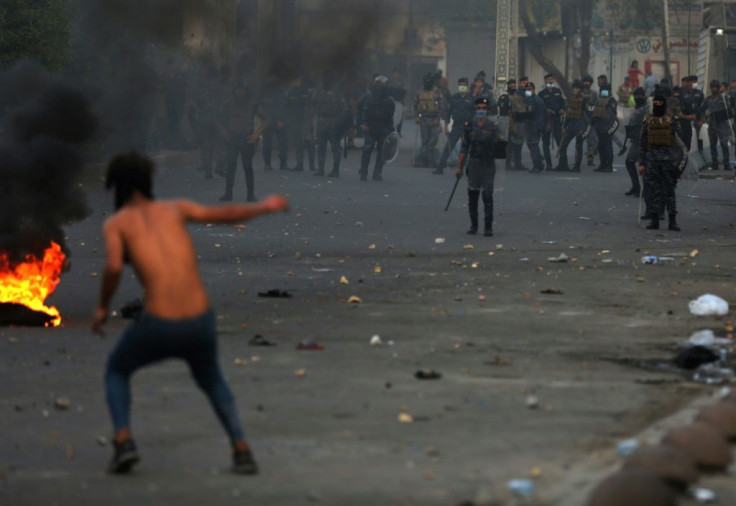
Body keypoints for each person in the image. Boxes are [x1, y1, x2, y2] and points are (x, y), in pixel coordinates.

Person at [92, 151, 290, 475]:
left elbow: (114, 265)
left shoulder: (117, 223)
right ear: (148, 182)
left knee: (117, 369)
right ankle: (241, 448)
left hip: (158, 324)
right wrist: (263, 207)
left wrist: (102, 308)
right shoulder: (175, 208)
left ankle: (124, 441)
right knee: (211, 379)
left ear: (115, 186)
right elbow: (226, 213)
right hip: (200, 320)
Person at [455, 97, 504, 237]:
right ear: (475, 109)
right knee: (473, 196)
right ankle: (474, 225)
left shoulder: (493, 127)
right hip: (474, 164)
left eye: (484, 108)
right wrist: (459, 167)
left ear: (487, 110)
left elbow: (501, 148)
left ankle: (488, 227)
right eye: (479, 108)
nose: (481, 110)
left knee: (487, 196)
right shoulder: (470, 125)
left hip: (488, 165)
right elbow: (464, 147)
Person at [638, 94, 683, 230]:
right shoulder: (647, 121)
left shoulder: (672, 120)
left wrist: (678, 162)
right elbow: (643, 143)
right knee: (653, 190)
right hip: (651, 160)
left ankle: (672, 220)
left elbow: (680, 142)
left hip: (669, 161)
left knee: (669, 190)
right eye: (655, 102)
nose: (657, 104)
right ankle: (654, 220)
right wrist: (641, 163)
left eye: (660, 102)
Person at [218, 83, 266, 202]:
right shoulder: (228, 105)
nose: (240, 93)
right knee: (230, 166)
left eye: (243, 90)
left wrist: (256, 134)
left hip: (247, 139)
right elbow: (217, 120)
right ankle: (228, 193)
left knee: (247, 166)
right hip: (232, 138)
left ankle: (250, 194)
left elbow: (266, 119)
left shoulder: (253, 105)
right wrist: (223, 131)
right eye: (238, 90)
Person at [357, 75, 395, 181]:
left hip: (383, 128)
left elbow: (391, 116)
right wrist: (362, 123)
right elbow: (359, 109)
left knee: (382, 151)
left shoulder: (389, 101)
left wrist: (390, 130)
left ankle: (377, 172)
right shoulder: (367, 97)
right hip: (369, 127)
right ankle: (363, 172)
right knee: (367, 148)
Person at [313, 78, 351, 177]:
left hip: (333, 123)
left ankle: (335, 170)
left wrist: (342, 123)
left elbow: (346, 110)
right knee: (321, 147)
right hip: (322, 122)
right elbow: (313, 106)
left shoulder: (338, 95)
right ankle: (321, 169)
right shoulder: (320, 93)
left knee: (336, 148)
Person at [436, 77, 475, 175]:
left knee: (468, 148)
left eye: (464, 85)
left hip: (468, 127)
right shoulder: (454, 98)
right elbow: (449, 112)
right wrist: (446, 124)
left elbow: (475, 113)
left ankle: (470, 169)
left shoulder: (471, 99)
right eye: (461, 85)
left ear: (467, 86)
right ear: (459, 86)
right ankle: (440, 167)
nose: (463, 87)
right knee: (449, 146)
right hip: (456, 126)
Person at [553, 79, 590, 172]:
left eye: (577, 88)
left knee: (578, 146)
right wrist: (564, 126)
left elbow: (588, 114)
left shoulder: (585, 99)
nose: (575, 89)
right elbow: (568, 113)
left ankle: (577, 166)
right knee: (563, 144)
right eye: (574, 88)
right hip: (571, 124)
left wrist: (584, 127)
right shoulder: (571, 98)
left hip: (580, 125)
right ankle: (563, 164)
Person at [511, 81, 546, 173]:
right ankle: (539, 162)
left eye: (530, 89)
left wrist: (540, 126)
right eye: (526, 89)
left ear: (534, 90)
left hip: (533, 124)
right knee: (532, 144)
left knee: (533, 144)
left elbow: (541, 114)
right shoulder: (526, 99)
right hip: (527, 124)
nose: (528, 91)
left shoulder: (537, 100)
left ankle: (537, 164)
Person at [413, 72, 446, 168]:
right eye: (426, 81)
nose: (427, 83)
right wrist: (416, 117)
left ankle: (426, 158)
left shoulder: (437, 92)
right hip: (423, 119)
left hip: (434, 119)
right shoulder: (419, 92)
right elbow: (415, 105)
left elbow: (442, 106)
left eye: (429, 81)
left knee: (433, 140)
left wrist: (438, 118)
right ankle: (426, 161)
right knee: (425, 141)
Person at [285, 75, 315, 172]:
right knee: (300, 143)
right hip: (298, 120)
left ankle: (308, 165)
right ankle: (302, 165)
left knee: (308, 143)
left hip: (304, 119)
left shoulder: (305, 91)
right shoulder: (293, 91)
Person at [538, 73, 565, 170]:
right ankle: (549, 165)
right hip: (546, 120)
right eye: (548, 79)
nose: (550, 81)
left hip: (557, 120)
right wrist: (546, 110)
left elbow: (562, 103)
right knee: (546, 143)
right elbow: (539, 106)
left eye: (551, 79)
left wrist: (562, 109)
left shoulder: (557, 91)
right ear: (545, 81)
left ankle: (562, 163)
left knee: (560, 141)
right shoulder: (541, 94)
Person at [703, 79, 731, 170]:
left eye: (716, 87)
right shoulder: (708, 99)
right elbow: (703, 110)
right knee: (713, 145)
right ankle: (715, 163)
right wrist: (705, 116)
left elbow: (729, 108)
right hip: (712, 124)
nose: (714, 89)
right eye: (713, 87)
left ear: (719, 88)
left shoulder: (724, 97)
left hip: (722, 124)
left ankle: (726, 163)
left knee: (724, 144)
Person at [624, 87, 647, 196]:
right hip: (636, 139)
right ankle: (636, 187)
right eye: (635, 96)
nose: (637, 98)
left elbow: (638, 117)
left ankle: (644, 189)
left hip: (643, 139)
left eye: (639, 96)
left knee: (642, 164)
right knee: (630, 162)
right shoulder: (638, 108)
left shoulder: (645, 108)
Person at [590, 82, 618, 173]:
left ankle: (609, 165)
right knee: (601, 146)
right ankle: (602, 164)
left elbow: (613, 114)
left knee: (607, 146)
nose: (604, 93)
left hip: (607, 126)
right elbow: (595, 112)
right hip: (599, 126)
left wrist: (608, 127)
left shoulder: (611, 100)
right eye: (602, 91)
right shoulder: (598, 100)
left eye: (605, 91)